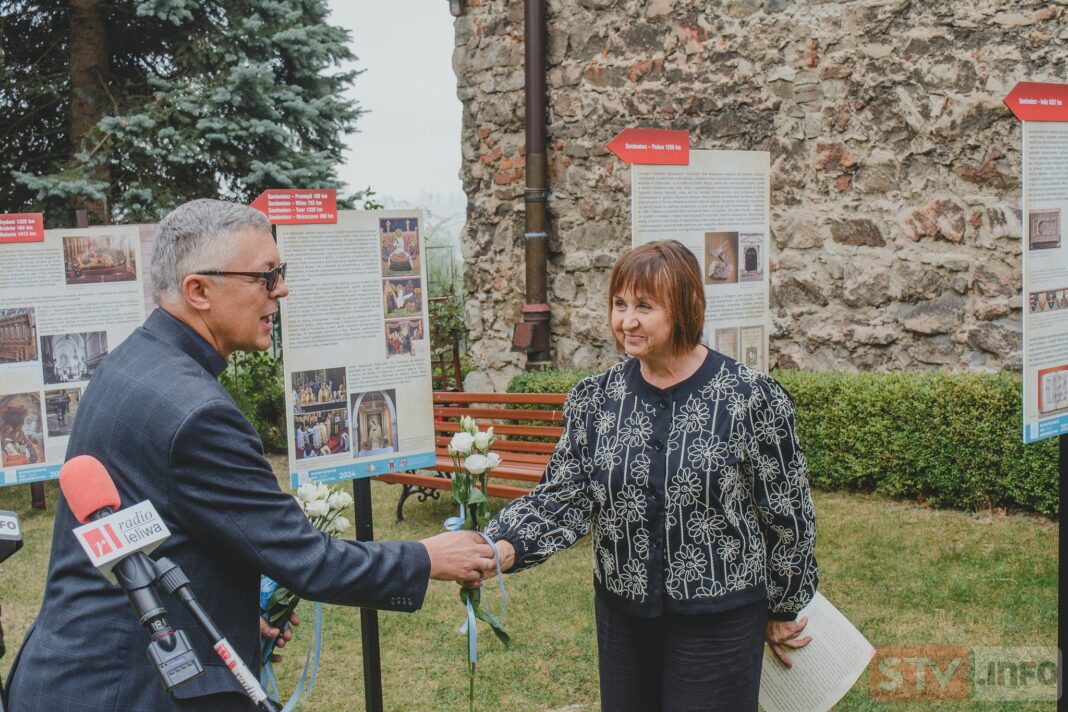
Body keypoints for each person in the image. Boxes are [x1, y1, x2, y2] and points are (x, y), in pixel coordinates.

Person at [5, 199, 496, 712]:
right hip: (123, 688)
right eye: (266, 276)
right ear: (199, 291)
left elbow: (151, 528)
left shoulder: (131, 362)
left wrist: (228, 608)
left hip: (68, 670)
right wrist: (427, 558)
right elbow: (307, 559)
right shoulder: (197, 414)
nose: (280, 289)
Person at [485, 240, 818, 712]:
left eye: (644, 306)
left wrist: (785, 607)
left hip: (719, 619)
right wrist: (503, 544)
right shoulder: (595, 400)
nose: (626, 321)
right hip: (624, 618)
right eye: (620, 304)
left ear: (683, 307)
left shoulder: (749, 398)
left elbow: (788, 513)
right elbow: (564, 495)